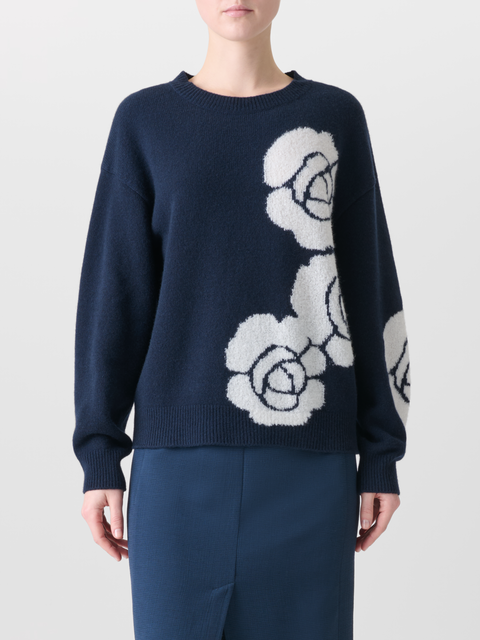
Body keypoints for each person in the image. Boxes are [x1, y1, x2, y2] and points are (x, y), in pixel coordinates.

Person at [73, 1, 411, 639]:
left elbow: (369, 287)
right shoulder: (145, 121)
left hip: (311, 465)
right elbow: (114, 296)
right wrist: (99, 453)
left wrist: (382, 451)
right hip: (177, 468)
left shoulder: (335, 116)